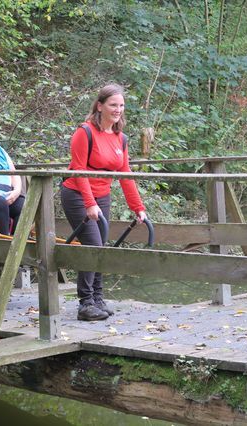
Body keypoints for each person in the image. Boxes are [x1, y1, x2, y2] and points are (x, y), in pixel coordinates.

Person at [61, 84, 148, 322]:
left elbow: (126, 175)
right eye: (113, 105)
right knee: (93, 245)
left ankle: (98, 298)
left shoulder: (121, 138)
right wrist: (89, 203)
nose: (118, 109)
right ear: (100, 106)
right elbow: (78, 170)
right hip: (77, 194)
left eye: (121, 105)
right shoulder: (85, 132)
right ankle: (85, 303)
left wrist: (138, 207)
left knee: (102, 246)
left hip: (102, 196)